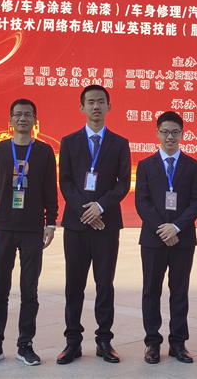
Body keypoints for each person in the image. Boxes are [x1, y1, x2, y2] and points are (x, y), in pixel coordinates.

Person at [0, 99, 58, 367]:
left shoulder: (44, 151)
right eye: (18, 114)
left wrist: (51, 222)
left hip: (33, 229)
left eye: (28, 115)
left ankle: (25, 345)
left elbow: (50, 189)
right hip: (3, 228)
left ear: (35, 120)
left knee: (29, 291)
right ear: (10, 120)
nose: (23, 118)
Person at [57, 85, 131, 365]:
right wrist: (84, 209)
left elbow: (123, 183)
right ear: (82, 107)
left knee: (104, 284)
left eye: (101, 102)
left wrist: (99, 207)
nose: (96, 106)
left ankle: (104, 341)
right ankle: (72, 341)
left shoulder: (120, 143)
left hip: (106, 225)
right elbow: (65, 181)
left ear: (109, 107)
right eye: (90, 102)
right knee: (74, 284)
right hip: (76, 225)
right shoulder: (69, 141)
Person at [135, 112, 197, 364]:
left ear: (182, 134)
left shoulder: (192, 165)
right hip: (153, 240)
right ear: (157, 133)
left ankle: (178, 343)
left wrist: (176, 227)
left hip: (182, 240)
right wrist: (163, 229)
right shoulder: (145, 165)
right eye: (165, 132)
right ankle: (152, 343)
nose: (170, 137)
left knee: (179, 292)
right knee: (151, 291)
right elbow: (142, 202)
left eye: (175, 132)